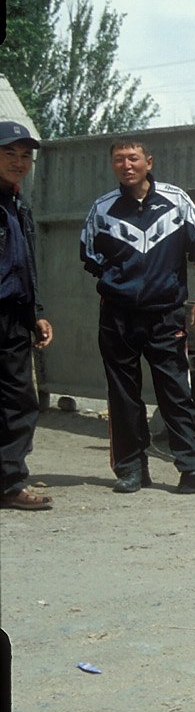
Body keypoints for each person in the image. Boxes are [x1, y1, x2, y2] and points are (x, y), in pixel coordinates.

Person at [80, 140, 195, 494]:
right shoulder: (102, 209)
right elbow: (89, 256)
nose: (126, 165)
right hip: (117, 317)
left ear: (148, 162)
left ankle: (193, 471)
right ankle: (132, 470)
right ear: (113, 165)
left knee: (176, 391)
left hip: (165, 316)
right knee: (123, 394)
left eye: (133, 158)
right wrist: (121, 283)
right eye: (119, 160)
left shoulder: (176, 201)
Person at [2, 122, 55, 511]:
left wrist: (36, 312)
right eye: (9, 153)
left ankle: (9, 483)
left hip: (14, 318)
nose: (19, 162)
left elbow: (24, 265)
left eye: (25, 156)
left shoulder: (19, 205)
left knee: (18, 402)